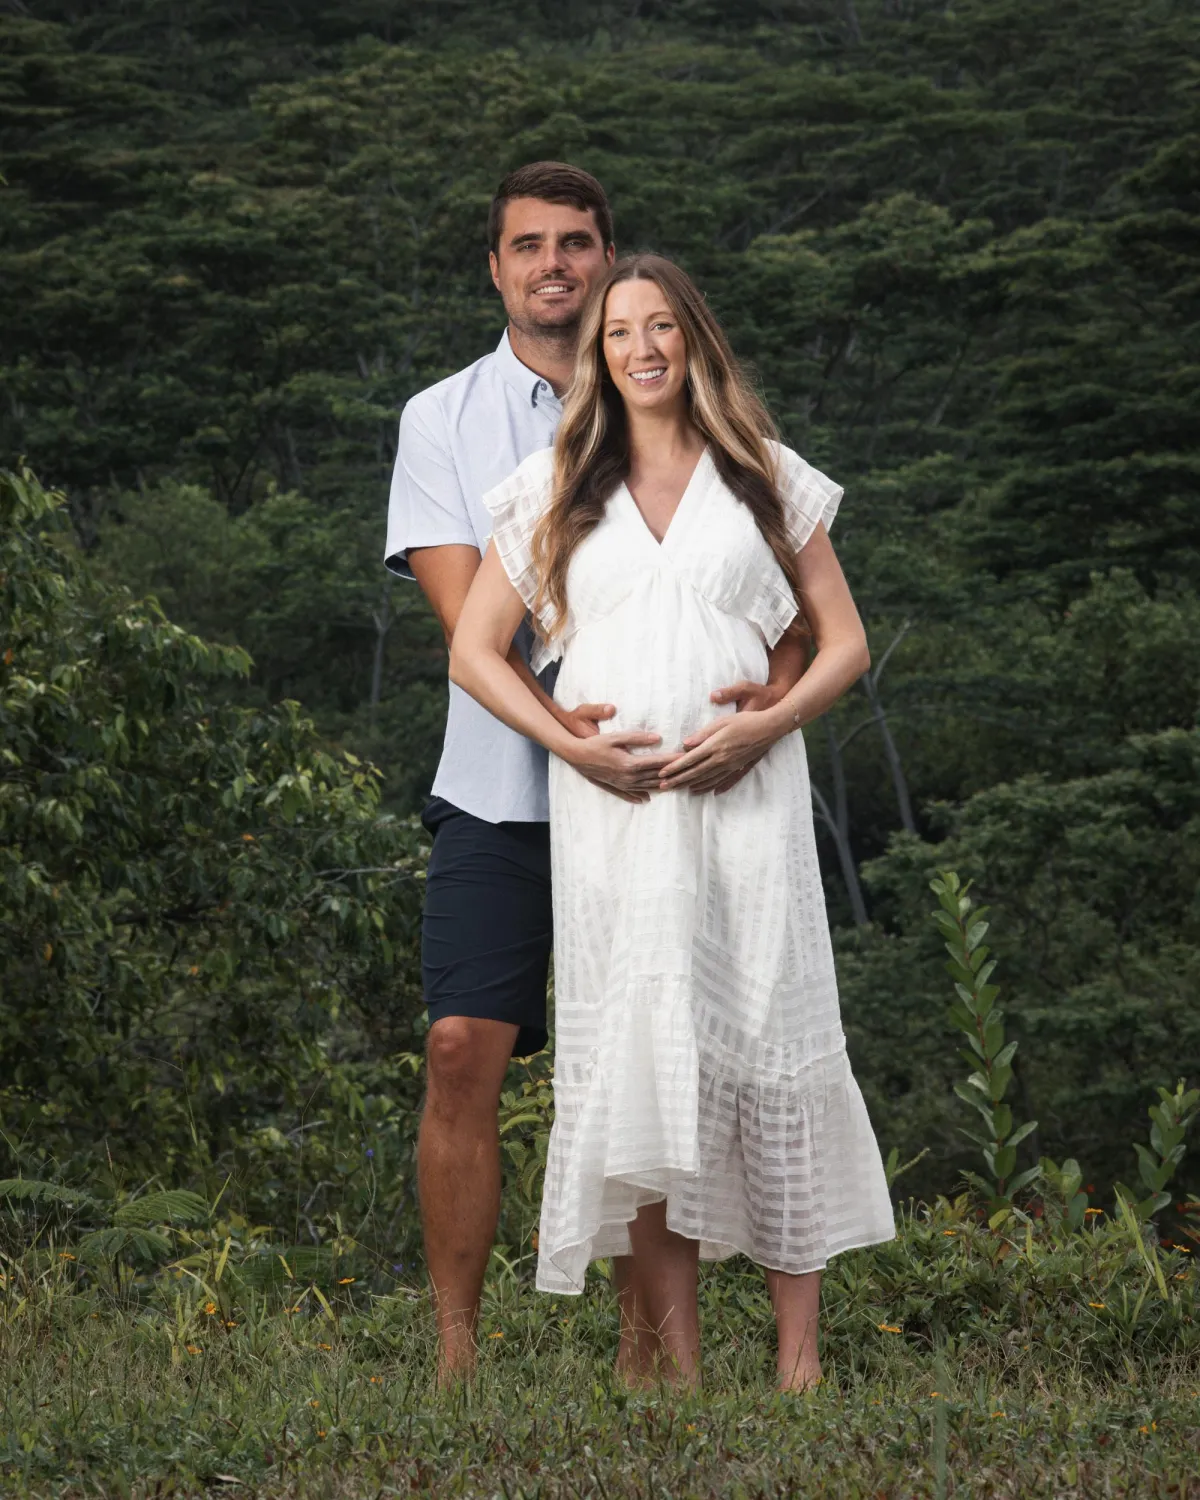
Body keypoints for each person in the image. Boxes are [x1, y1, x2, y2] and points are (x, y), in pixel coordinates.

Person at [385, 167, 810, 1384]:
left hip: (668, 790)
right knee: (463, 1042)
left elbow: (770, 580)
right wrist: (583, 729)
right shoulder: (444, 420)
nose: (555, 266)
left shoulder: (669, 398)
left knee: (650, 1047)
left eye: (579, 244)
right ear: (497, 268)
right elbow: (474, 619)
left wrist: (750, 694)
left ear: (615, 262)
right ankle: (456, 1355)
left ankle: (649, 1350)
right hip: (510, 789)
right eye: (530, 246)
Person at [449, 253, 896, 1392]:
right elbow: (473, 649)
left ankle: (801, 1363)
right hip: (617, 817)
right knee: (652, 1060)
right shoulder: (558, 480)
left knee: (773, 1034)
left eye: (660, 328)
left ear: (695, 341)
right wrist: (570, 744)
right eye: (616, 334)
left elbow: (841, 639)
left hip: (751, 796)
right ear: (597, 359)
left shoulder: (763, 476)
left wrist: (770, 722)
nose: (640, 349)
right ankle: (680, 1371)